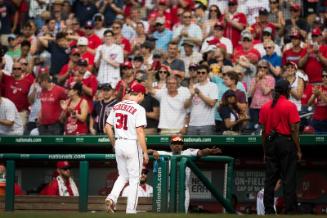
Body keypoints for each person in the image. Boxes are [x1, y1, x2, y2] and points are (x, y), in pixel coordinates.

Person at [104, 83, 149, 214]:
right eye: (142, 96)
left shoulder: (117, 105)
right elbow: (140, 131)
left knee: (123, 176)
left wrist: (114, 144)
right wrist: (145, 152)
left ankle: (112, 198)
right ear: (140, 94)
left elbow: (107, 127)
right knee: (135, 180)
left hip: (119, 143)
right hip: (132, 144)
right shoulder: (139, 108)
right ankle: (131, 210)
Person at [259, 79, 302, 214]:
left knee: (270, 179)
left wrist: (265, 150)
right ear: (287, 91)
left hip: (271, 143)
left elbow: (264, 132)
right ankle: (290, 210)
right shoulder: (290, 105)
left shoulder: (265, 106)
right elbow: (294, 129)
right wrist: (298, 149)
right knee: (288, 178)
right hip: (286, 143)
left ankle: (268, 210)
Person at [148, 134, 222, 213]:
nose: (177, 145)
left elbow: (200, 152)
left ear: (182, 145)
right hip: (167, 191)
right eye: (175, 143)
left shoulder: (188, 152)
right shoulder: (165, 154)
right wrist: (153, 151)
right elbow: (147, 151)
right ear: (170, 145)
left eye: (179, 143)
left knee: (182, 214)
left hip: (182, 191)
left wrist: (210, 151)